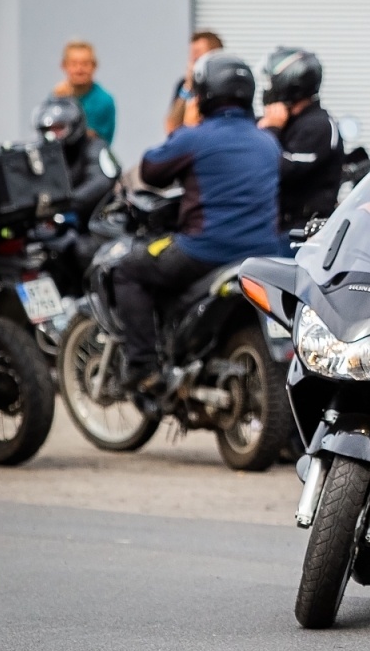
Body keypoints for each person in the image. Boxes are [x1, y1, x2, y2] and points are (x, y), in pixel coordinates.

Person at [117, 52, 282, 398]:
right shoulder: (268, 142)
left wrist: (187, 125)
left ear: (204, 94)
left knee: (128, 271)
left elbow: (149, 171)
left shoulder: (195, 138)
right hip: (263, 254)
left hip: (204, 250)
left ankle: (144, 366)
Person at [257, 47, 344, 236]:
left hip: (302, 232)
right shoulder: (286, 121)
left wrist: (270, 131)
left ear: (290, 83)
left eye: (271, 82)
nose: (267, 88)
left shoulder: (318, 126)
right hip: (274, 225)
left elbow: (278, 169)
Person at [34, 95, 118, 229]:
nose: (53, 136)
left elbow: (101, 181)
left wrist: (62, 205)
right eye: (48, 130)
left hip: (92, 222)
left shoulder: (95, 146)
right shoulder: (39, 153)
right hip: (52, 222)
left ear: (75, 126)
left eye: (59, 128)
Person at [53, 41, 116, 147]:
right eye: (74, 64)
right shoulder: (55, 99)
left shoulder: (104, 101)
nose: (79, 69)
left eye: (85, 64)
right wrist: (58, 101)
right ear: (64, 66)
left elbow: (97, 141)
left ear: (94, 66)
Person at [166, 32, 223, 134]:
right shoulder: (184, 85)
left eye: (198, 53)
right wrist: (188, 86)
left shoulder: (226, 85)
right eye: (192, 53)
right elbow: (171, 127)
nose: (193, 58)